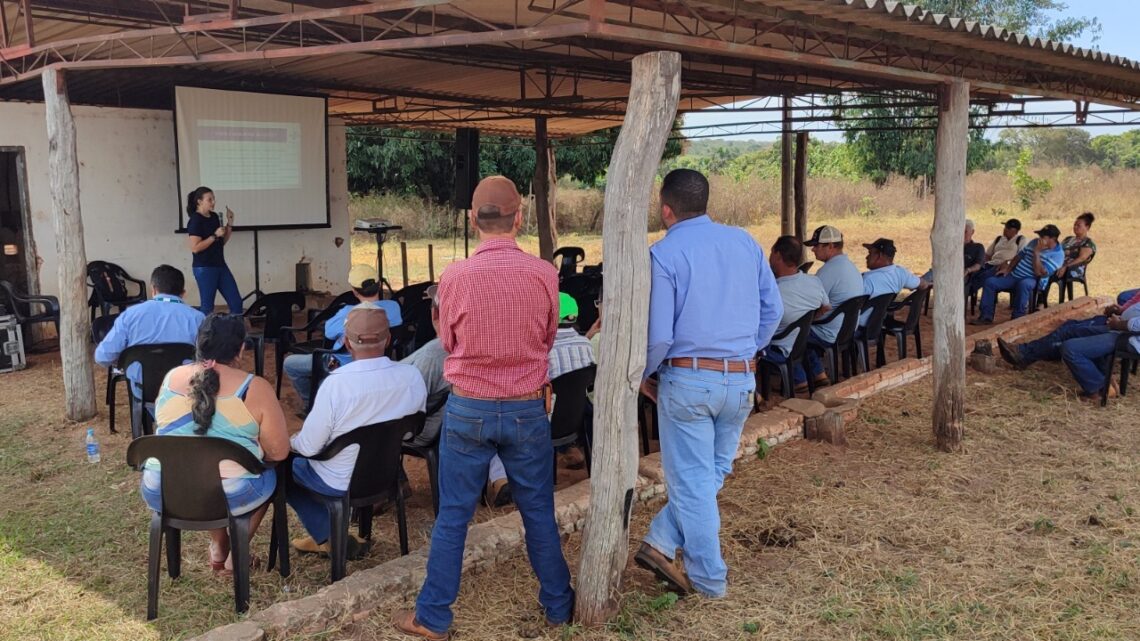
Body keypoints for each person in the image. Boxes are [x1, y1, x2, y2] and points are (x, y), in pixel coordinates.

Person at [395, 176, 572, 640]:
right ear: (520, 218)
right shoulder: (544, 274)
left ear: (472, 220)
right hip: (526, 408)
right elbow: (548, 338)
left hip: (469, 408)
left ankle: (433, 616)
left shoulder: (454, 277)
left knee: (454, 515)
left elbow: (447, 343)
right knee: (538, 510)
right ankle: (558, 605)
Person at [636, 169, 781, 599]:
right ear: (705, 201)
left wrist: (645, 373)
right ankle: (661, 542)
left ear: (666, 209)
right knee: (713, 471)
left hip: (687, 379)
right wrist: (746, 352)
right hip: (739, 380)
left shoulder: (662, 254)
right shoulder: (745, 242)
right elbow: (772, 311)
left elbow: (660, 335)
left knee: (695, 481)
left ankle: (708, 581)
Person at [140, 313, 289, 574]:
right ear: (241, 348)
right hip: (228, 494)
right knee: (258, 476)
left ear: (198, 343)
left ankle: (219, 548)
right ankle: (233, 558)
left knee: (206, 475)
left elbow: (164, 430)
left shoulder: (171, 377)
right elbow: (278, 451)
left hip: (161, 488)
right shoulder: (254, 387)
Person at [288, 304, 427, 556]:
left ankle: (329, 535)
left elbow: (309, 447)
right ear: (388, 339)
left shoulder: (336, 384)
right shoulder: (412, 376)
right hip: (386, 475)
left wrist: (291, 442)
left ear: (347, 343)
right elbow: (410, 432)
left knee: (284, 468)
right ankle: (332, 537)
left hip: (338, 481)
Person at [484, 292, 597, 507]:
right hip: (572, 424)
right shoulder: (586, 345)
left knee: (498, 418)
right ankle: (569, 448)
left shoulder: (539, 352)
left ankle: (501, 479)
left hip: (539, 425)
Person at [94, 264, 205, 430]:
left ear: (153, 290)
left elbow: (102, 357)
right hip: (186, 390)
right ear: (183, 293)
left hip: (143, 389)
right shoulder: (198, 318)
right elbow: (209, 358)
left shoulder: (130, 316)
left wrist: (124, 360)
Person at [282, 264, 402, 410]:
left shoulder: (348, 312)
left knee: (290, 363)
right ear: (378, 285)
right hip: (379, 360)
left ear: (354, 291)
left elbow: (328, 332)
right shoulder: (394, 307)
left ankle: (310, 404)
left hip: (340, 363)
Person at [998, 301, 1139, 403]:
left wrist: (1119, 323)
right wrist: (1120, 315)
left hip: (1127, 337)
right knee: (1072, 330)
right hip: (1122, 329)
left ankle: (1100, 389)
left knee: (1071, 348)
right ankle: (1024, 354)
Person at [765, 236, 830, 392]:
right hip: (801, 341)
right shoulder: (814, 282)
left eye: (772, 252)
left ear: (778, 255)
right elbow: (826, 307)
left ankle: (757, 393)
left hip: (778, 346)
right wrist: (808, 319)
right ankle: (807, 376)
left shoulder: (772, 293)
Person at [803, 225, 862, 383]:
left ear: (830, 246)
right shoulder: (850, 266)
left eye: (816, 246)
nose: (813, 250)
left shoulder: (828, 271)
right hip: (847, 329)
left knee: (796, 333)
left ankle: (816, 375)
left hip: (829, 331)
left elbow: (810, 303)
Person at [973, 224, 1065, 325]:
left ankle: (1017, 318)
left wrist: (1036, 253)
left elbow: (1038, 273)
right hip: (1015, 274)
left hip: (1033, 279)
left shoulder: (1058, 254)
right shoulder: (1034, 242)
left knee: (1024, 284)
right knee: (990, 282)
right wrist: (1008, 269)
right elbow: (1019, 256)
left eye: (1043, 237)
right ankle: (986, 316)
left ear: (1053, 239)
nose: (1040, 238)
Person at [402, 284, 450, 449]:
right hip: (442, 424)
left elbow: (407, 406)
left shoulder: (434, 354)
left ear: (434, 315)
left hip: (419, 430)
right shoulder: (469, 346)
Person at [185, 186, 243, 315]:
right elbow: (195, 248)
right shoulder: (195, 220)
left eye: (214, 199)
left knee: (236, 302)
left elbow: (221, 242)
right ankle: (204, 334)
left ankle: (235, 333)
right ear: (199, 201)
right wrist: (214, 236)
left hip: (220, 265)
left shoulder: (214, 217)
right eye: (209, 199)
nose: (213, 202)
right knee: (207, 307)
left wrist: (230, 224)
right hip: (205, 268)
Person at [859, 238, 927, 327]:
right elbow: (923, 285)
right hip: (878, 324)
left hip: (860, 326)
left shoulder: (867, 279)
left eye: (870, 253)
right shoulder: (901, 273)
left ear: (879, 255)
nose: (867, 257)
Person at [969, 218, 1028, 299]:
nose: (1004, 229)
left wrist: (1008, 263)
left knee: (985, 276)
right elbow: (988, 254)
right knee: (973, 273)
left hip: (1003, 266)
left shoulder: (1021, 239)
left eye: (1007, 228)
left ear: (1014, 230)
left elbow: (1021, 256)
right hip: (990, 263)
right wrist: (981, 263)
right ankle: (969, 290)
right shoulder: (999, 239)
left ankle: (969, 291)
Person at [921, 219, 986, 284]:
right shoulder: (951, 245)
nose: (962, 234)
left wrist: (968, 270)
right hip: (944, 271)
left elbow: (978, 265)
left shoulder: (978, 247)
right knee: (922, 282)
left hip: (962, 275)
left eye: (965, 232)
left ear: (972, 232)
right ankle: (917, 285)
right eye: (960, 231)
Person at [1055, 212, 1097, 282]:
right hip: (1059, 265)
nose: (1075, 227)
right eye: (1074, 225)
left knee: (1047, 273)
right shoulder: (1068, 239)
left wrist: (1066, 266)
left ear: (1087, 227)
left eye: (1078, 225)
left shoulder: (1088, 243)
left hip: (1072, 269)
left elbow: (1081, 259)